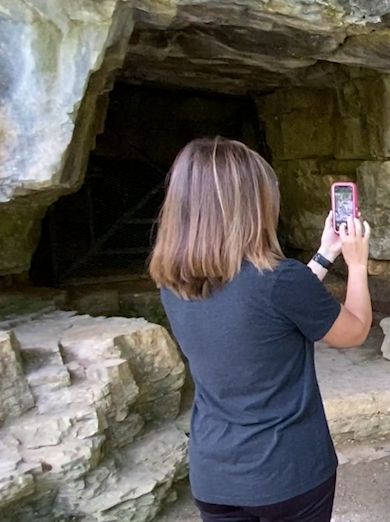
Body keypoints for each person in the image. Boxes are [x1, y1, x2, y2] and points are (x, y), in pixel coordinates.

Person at [149, 137, 372, 522]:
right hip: (288, 474)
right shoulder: (279, 282)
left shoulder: (171, 282)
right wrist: (356, 264)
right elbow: (354, 332)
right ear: (251, 206)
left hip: (215, 474)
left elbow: (264, 308)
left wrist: (324, 255)